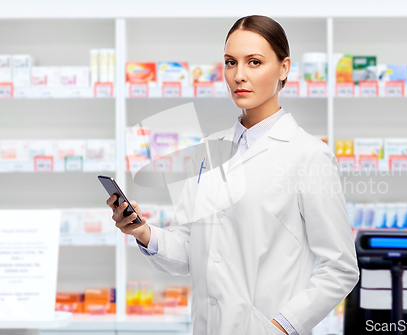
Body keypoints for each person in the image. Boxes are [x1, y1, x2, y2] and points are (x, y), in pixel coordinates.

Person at [107, 14, 359, 335]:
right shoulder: (208, 150)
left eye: (254, 62)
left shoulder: (308, 155)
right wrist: (141, 232)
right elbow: (190, 252)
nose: (239, 75)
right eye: (230, 62)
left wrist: (282, 327)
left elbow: (340, 268)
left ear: (284, 68)